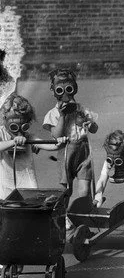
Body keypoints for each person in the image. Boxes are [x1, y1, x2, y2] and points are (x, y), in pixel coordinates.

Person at [42, 69, 99, 201]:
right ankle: (63, 216)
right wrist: (62, 116)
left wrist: (90, 123)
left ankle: (84, 214)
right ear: (54, 91)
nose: (66, 93)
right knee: (66, 190)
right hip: (66, 151)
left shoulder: (82, 109)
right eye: (60, 90)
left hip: (84, 151)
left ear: (74, 88)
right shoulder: (53, 113)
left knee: (85, 190)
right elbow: (56, 135)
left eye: (69, 88)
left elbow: (94, 129)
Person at [0, 94, 67, 198]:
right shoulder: (1, 133)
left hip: (27, 184)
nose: (18, 131)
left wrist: (59, 143)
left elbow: (48, 145)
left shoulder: (28, 137)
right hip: (6, 185)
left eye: (23, 126)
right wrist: (13, 142)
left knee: (28, 205)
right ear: (5, 118)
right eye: (13, 126)